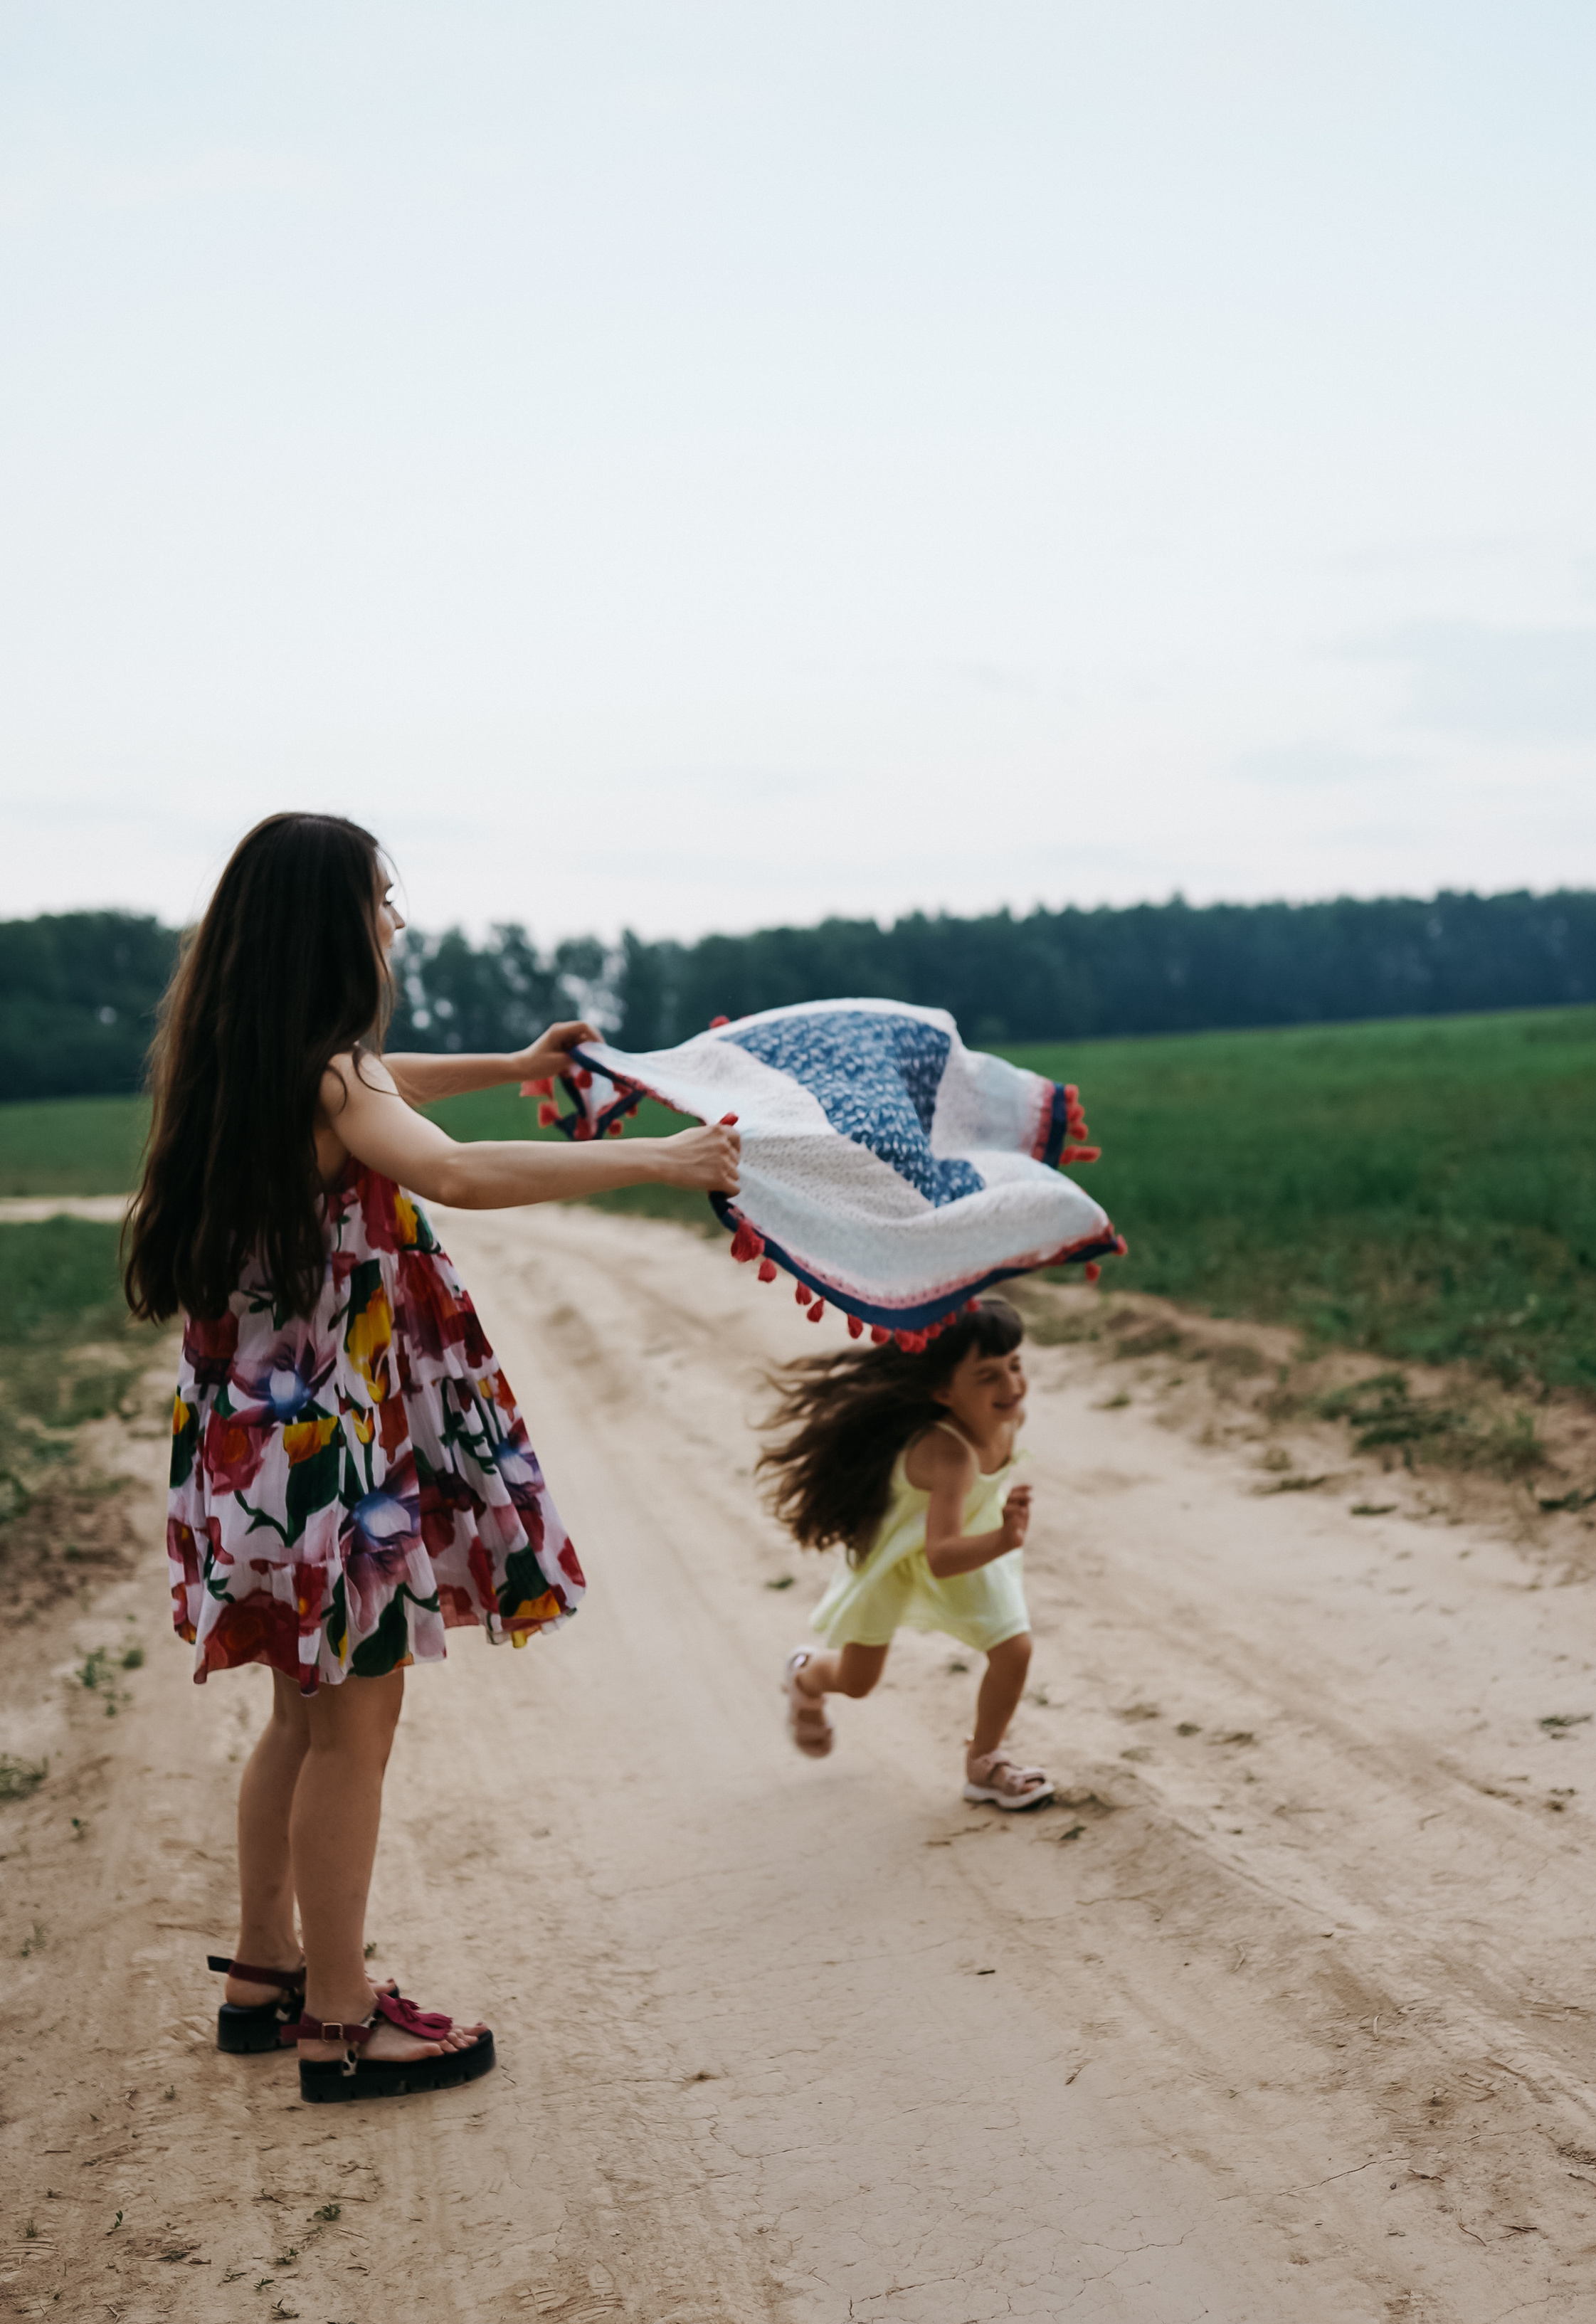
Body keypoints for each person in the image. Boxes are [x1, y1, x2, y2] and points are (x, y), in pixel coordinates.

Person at [123, 812, 739, 2102]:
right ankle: (344, 2022)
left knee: (299, 1719)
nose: (395, 921)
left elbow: (386, 1084)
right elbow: (448, 1173)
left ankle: (265, 1973)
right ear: (329, 927)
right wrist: (660, 1159)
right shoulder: (334, 1080)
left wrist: (513, 1061)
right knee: (355, 1730)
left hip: (256, 1460)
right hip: (330, 1463)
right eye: (380, 899)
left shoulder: (248, 1069)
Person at [760, 1296, 1052, 1810]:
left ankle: (983, 1764)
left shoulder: (1011, 1417)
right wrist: (1005, 1539)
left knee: (1015, 1649)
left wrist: (997, 1534)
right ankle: (805, 1675)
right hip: (898, 1557)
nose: (1011, 1386)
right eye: (987, 1376)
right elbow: (940, 1555)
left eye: (1014, 1365)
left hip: (968, 1538)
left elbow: (953, 1542)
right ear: (944, 1392)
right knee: (857, 1681)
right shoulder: (949, 1454)